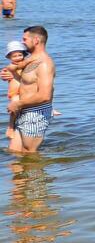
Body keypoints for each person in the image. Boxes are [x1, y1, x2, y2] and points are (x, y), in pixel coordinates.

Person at [4, 26, 54, 155]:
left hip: (35, 113)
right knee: (14, 154)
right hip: (23, 111)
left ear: (36, 40)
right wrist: (12, 76)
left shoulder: (44, 63)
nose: (22, 42)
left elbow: (45, 96)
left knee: (30, 156)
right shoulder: (31, 60)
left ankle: (38, 175)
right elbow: (27, 82)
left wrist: (17, 103)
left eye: (25, 39)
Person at [4, 41, 24, 148]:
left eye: (20, 55)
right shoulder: (10, 67)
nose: (17, 58)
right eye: (14, 56)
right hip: (15, 93)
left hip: (24, 93)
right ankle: (10, 127)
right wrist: (3, 75)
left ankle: (50, 108)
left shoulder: (26, 65)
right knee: (15, 104)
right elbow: (4, 73)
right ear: (9, 57)